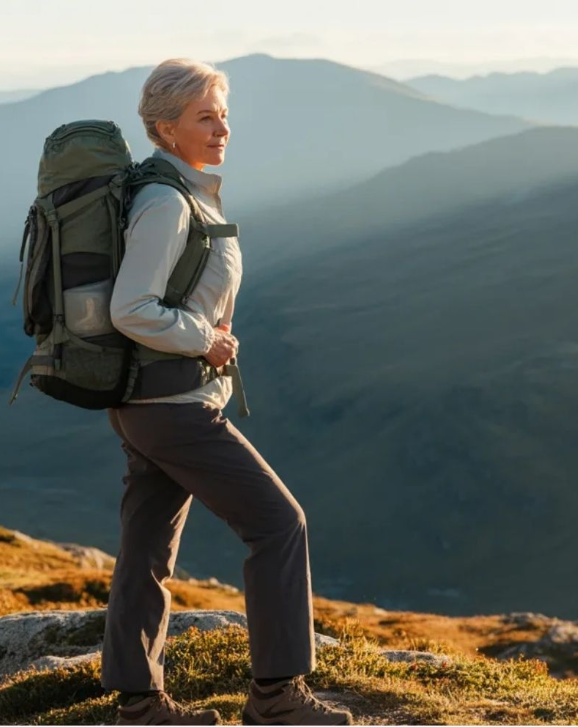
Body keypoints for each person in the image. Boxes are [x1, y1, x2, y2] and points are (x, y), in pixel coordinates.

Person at [99, 58, 354, 726]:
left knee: (146, 548)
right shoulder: (163, 201)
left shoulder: (179, 191)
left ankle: (140, 705)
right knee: (278, 522)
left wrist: (204, 333)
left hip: (151, 404)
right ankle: (276, 696)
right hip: (171, 406)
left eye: (223, 114)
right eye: (205, 117)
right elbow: (132, 307)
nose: (222, 129)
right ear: (166, 127)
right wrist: (203, 340)